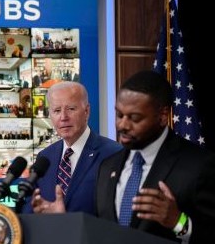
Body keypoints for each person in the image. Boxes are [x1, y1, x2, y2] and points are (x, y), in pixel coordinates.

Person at [33, 70, 215, 243]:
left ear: (162, 116)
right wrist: (65, 222)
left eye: (134, 117)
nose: (123, 125)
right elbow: (102, 231)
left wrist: (178, 222)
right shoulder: (110, 165)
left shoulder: (199, 165)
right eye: (119, 115)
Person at [21, 81, 122, 214]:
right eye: (57, 111)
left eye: (71, 109)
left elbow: (117, 213)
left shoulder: (113, 154)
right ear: (50, 115)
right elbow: (29, 207)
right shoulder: (45, 157)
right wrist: (38, 211)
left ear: (86, 111)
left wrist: (66, 219)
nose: (63, 117)